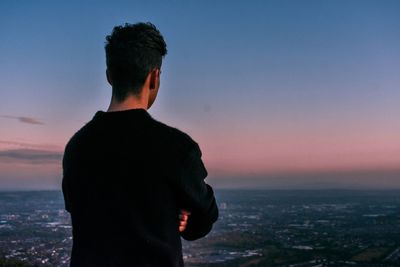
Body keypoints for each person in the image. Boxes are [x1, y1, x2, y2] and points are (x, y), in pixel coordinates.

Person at [61, 22, 219, 267]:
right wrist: (183, 215)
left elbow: (82, 211)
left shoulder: (77, 148)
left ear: (109, 76)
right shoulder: (177, 150)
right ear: (154, 77)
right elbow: (203, 218)